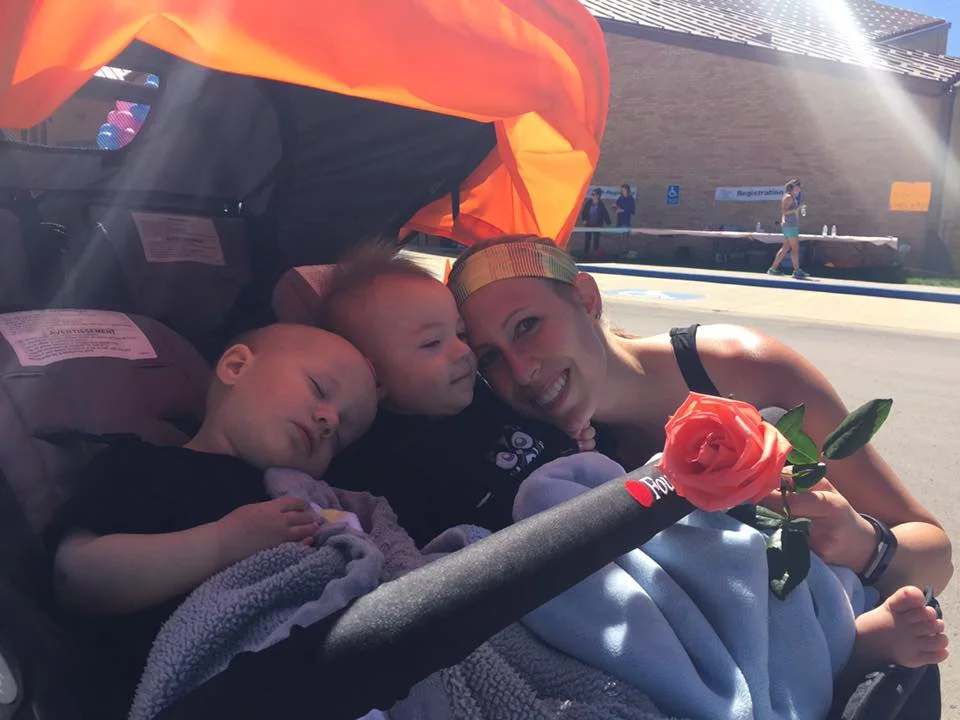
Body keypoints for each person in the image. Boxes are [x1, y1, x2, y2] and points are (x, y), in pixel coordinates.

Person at [449, 234, 953, 609]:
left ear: (586, 298)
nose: (521, 370)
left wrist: (864, 545)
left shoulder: (743, 367)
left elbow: (936, 556)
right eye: (490, 357)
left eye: (527, 325)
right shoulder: (542, 463)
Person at [44, 324, 381, 719]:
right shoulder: (143, 467)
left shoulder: (313, 503)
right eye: (319, 389)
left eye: (339, 438)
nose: (329, 421)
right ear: (236, 367)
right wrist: (221, 543)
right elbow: (74, 576)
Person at [319, 244, 605, 546]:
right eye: (431, 343)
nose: (464, 352)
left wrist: (570, 438)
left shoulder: (482, 395)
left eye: (460, 334)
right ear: (373, 376)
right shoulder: (384, 472)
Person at [769, 178, 809, 279]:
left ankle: (773, 269)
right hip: (790, 226)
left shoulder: (791, 197)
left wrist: (797, 209)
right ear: (793, 187)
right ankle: (796, 271)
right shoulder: (788, 197)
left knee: (785, 248)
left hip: (789, 225)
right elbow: (785, 212)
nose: (799, 188)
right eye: (798, 186)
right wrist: (797, 209)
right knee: (795, 248)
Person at [579, 187, 610, 256]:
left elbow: (605, 213)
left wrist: (608, 222)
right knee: (587, 239)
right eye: (592, 194)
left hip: (597, 224)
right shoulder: (588, 202)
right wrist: (584, 220)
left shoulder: (601, 204)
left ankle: (595, 254)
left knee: (596, 239)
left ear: (598, 195)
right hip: (588, 224)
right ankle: (586, 254)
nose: (593, 196)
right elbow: (584, 212)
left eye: (594, 194)